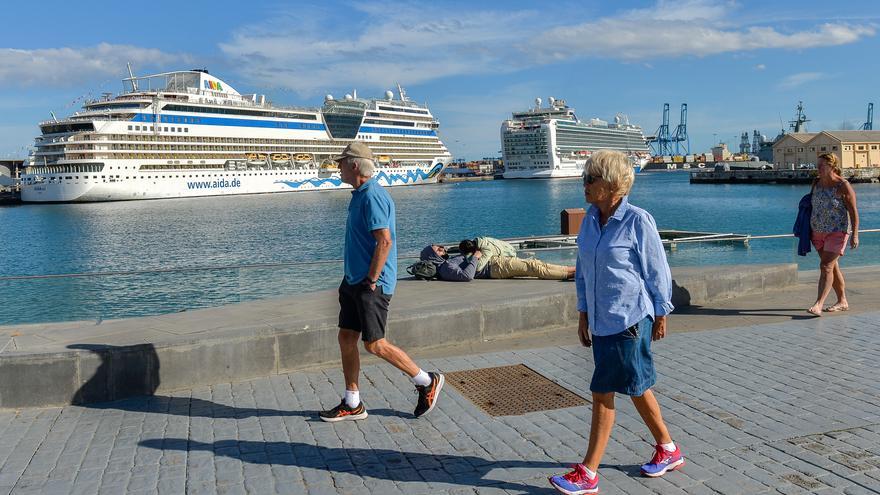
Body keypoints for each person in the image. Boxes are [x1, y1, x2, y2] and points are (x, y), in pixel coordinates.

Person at [549, 150, 682, 495]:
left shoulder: (638, 220)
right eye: (585, 178)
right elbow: (583, 271)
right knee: (636, 387)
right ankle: (668, 449)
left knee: (602, 391)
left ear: (612, 184)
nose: (584, 185)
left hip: (630, 319)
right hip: (601, 319)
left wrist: (661, 313)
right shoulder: (591, 221)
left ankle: (588, 473)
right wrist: (582, 313)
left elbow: (657, 271)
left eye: (590, 179)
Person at [320, 142, 444, 422]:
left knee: (375, 344)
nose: (337, 167)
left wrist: (372, 280)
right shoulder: (359, 194)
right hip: (354, 280)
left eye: (341, 162)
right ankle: (352, 403)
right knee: (346, 337)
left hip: (370, 284)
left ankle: (426, 381)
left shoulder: (372, 196)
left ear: (354, 165)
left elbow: (384, 241)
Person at [807, 152, 859, 317]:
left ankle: (818, 304)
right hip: (817, 232)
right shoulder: (816, 183)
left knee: (826, 267)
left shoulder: (843, 185)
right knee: (832, 267)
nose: (818, 168)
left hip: (837, 232)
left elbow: (853, 212)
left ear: (832, 166)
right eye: (818, 165)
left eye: (822, 165)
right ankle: (842, 301)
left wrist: (855, 234)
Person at [417, 241, 574, 282]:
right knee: (533, 267)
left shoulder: (447, 264)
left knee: (536, 264)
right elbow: (466, 276)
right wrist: (475, 257)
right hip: (494, 268)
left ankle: (572, 270)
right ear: (432, 256)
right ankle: (571, 274)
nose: (442, 248)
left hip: (495, 263)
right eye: (438, 249)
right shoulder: (446, 268)